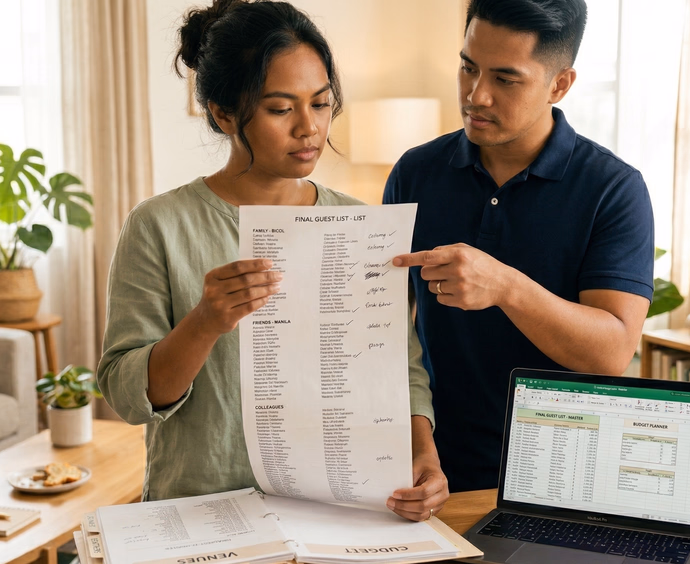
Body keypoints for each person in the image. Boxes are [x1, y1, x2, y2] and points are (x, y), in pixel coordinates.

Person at [98, 0, 448, 521]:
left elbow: (399, 368)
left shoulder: (361, 226)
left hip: (338, 512)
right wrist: (204, 322)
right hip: (201, 514)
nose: (309, 128)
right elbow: (129, 397)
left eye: (322, 103)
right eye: (281, 109)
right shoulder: (159, 224)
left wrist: (423, 452)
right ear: (223, 113)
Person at [384, 0, 654, 493]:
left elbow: (612, 352)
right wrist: (417, 446)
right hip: (430, 470)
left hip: (563, 480)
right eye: (468, 67)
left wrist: (505, 285)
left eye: (505, 79)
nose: (476, 95)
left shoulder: (614, 189)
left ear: (559, 84)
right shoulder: (414, 172)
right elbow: (385, 336)